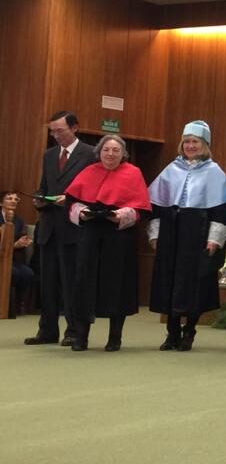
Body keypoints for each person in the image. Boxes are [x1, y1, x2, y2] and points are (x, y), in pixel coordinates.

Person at [147, 120, 226, 351]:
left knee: (194, 281)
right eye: (187, 142)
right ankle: (171, 332)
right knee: (170, 279)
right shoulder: (171, 169)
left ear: (204, 144)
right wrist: (154, 234)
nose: (190, 146)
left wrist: (215, 239)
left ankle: (190, 330)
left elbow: (221, 210)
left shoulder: (214, 172)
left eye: (195, 142)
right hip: (171, 232)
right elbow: (155, 206)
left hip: (198, 233)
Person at [63, 135, 152, 351]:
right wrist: (82, 213)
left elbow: (141, 208)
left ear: (123, 154)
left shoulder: (133, 173)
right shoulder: (89, 171)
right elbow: (71, 201)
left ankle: (115, 337)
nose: (110, 154)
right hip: (91, 232)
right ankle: (81, 336)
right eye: (106, 150)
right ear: (99, 152)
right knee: (85, 280)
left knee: (117, 282)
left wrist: (120, 215)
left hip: (118, 234)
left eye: (115, 150)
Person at [25, 111, 95, 347]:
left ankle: (74, 330)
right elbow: (44, 185)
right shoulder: (49, 154)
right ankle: (47, 330)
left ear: (75, 128)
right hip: (49, 226)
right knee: (48, 281)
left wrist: (71, 200)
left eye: (60, 131)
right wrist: (39, 199)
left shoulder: (90, 153)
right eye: (52, 131)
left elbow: (94, 190)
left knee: (71, 282)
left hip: (73, 227)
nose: (56, 136)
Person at [1, 191, 33, 317]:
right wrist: (14, 245)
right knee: (13, 273)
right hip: (1, 258)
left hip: (13, 259)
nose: (13, 201)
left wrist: (24, 241)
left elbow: (20, 236)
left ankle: (17, 305)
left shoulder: (18, 220)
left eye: (16, 199)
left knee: (27, 273)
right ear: (1, 202)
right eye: (9, 198)